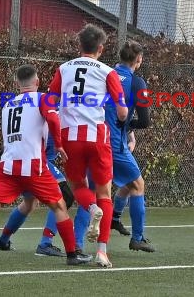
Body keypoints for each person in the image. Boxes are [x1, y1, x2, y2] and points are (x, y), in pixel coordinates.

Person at [0, 65, 91, 266]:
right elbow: (53, 119)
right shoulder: (42, 98)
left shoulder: (8, 104)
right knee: (60, 205)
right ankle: (72, 254)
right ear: (37, 82)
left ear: (17, 83)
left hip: (7, 166)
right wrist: (60, 145)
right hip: (34, 166)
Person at [49, 24, 128, 268]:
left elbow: (51, 103)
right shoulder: (108, 72)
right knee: (105, 194)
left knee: (77, 186)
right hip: (97, 137)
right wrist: (120, 116)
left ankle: (91, 208)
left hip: (70, 137)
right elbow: (123, 112)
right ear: (101, 48)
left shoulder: (64, 68)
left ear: (79, 45)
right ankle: (102, 252)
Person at [0, 133, 91, 257]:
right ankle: (45, 244)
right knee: (65, 197)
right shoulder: (53, 113)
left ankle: (2, 240)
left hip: (27, 158)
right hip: (36, 160)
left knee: (29, 203)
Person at [105, 41, 154, 252]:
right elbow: (144, 121)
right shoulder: (137, 82)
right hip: (115, 142)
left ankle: (114, 218)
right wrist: (127, 127)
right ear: (139, 60)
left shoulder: (106, 74)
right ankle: (138, 237)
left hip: (94, 138)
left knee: (125, 183)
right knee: (138, 185)